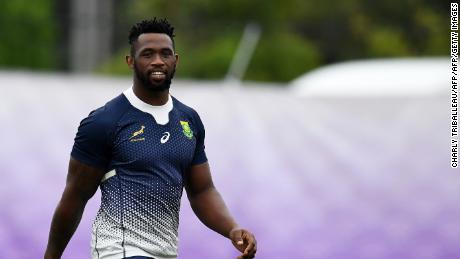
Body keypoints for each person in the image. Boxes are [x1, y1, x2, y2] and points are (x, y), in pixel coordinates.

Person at [44, 18, 257, 259]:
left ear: (175, 61)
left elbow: (202, 190)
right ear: (130, 61)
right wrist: (51, 256)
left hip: (165, 252)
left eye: (165, 54)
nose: (157, 61)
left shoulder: (189, 120)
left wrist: (232, 229)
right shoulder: (104, 122)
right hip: (119, 250)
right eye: (147, 54)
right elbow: (75, 195)